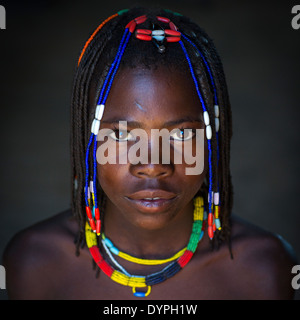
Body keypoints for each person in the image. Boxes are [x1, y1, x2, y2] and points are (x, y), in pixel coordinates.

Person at [3, 7, 297, 300]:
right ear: (88, 139)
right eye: (121, 135)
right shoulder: (34, 264)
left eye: (181, 133)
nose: (153, 165)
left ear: (212, 139)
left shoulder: (263, 271)